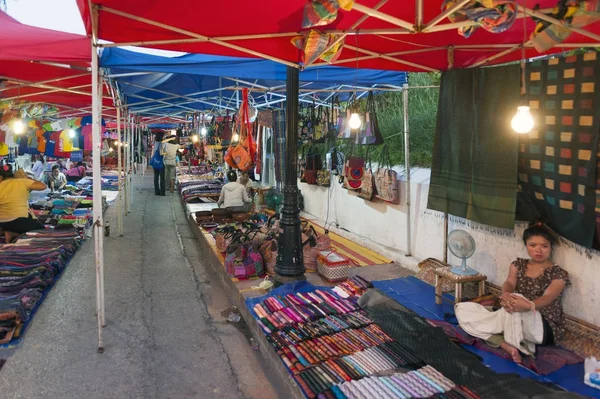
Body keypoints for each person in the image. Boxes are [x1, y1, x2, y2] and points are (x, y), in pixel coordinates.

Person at [457, 220, 570, 364]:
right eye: (533, 245)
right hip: (514, 312)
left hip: (541, 324)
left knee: (508, 308)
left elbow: (548, 297)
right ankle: (507, 344)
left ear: (550, 247)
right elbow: (509, 283)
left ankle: (504, 337)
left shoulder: (559, 273)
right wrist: (506, 296)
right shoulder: (518, 265)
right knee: (462, 309)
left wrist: (528, 306)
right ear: (526, 246)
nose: (538, 250)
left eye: (544, 246)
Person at [0, 164, 47, 243]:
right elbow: (43, 186)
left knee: (25, 224)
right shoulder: (22, 181)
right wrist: (27, 178)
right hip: (19, 219)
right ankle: (13, 233)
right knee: (43, 232)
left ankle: (11, 232)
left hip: (2, 222)